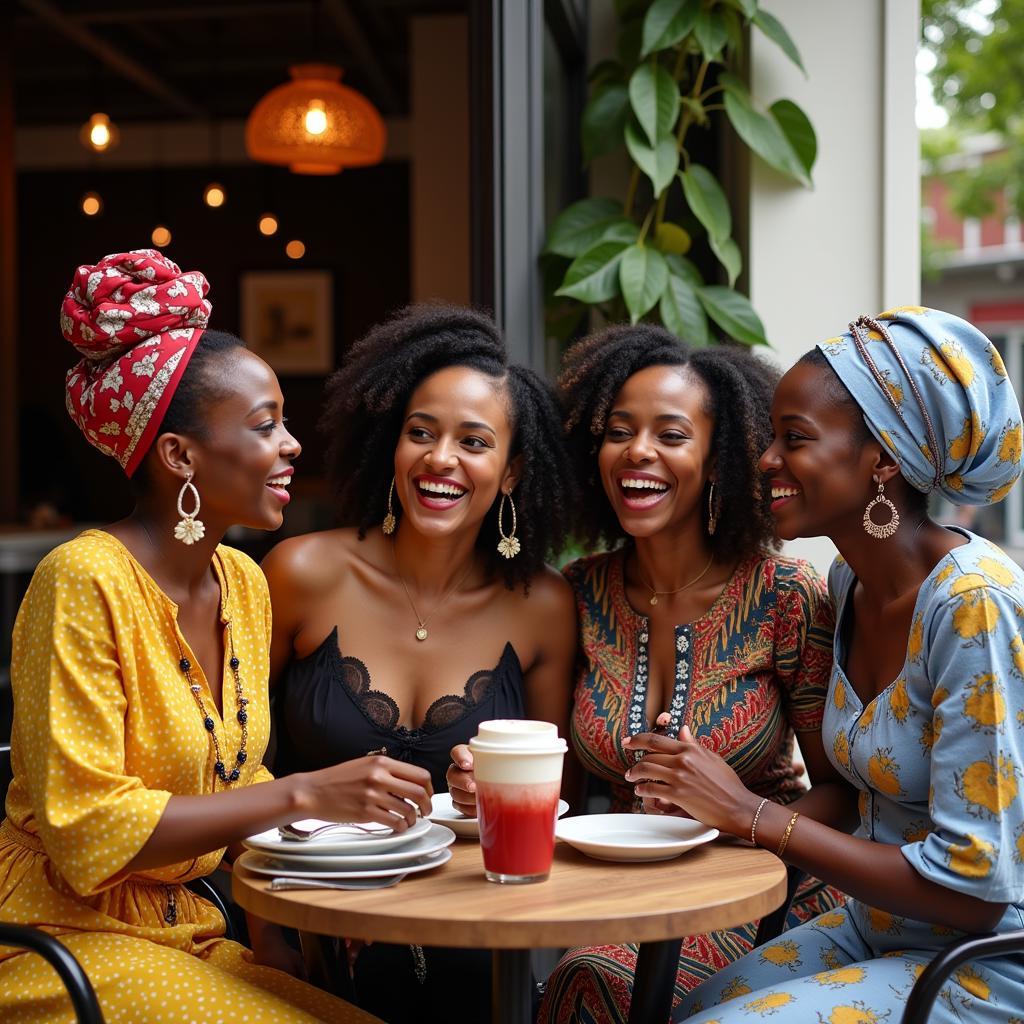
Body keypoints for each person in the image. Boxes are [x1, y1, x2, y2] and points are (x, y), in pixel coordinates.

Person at [0, 250, 433, 1023]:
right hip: (59, 943)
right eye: (266, 426)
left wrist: (274, 939)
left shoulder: (244, 580)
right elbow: (88, 832)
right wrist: (303, 792)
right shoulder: (81, 581)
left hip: (192, 934)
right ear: (179, 455)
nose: (292, 444)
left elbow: (235, 772)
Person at [448, 323, 848, 1023]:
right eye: (618, 430)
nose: (637, 451)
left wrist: (739, 813)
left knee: (596, 981)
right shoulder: (578, 593)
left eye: (670, 434)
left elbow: (842, 795)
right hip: (625, 893)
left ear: (719, 458)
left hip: (765, 888)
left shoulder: (786, 594)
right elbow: (560, 785)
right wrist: (490, 786)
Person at [644, 307, 1024, 1023]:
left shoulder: (973, 607)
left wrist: (752, 814)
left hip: (983, 963)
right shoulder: (849, 584)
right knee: (675, 1009)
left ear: (882, 458)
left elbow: (975, 892)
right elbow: (856, 798)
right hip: (875, 928)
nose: (765, 460)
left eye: (795, 439)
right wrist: (709, 806)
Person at [263, 304, 578, 1023]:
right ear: (392, 447)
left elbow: (549, 803)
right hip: (309, 923)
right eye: (421, 433)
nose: (441, 459)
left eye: (475, 442)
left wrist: (489, 794)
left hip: (473, 933)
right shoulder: (300, 573)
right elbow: (236, 764)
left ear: (512, 472)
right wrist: (267, 934)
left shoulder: (543, 607)